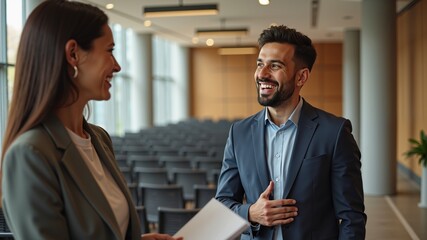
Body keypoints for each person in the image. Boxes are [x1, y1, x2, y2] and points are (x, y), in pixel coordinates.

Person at [0, 1, 181, 240]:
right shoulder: (30, 154)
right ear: (73, 53)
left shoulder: (98, 138)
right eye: (110, 50)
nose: (117, 66)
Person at [215, 25, 367, 240]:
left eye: (275, 66)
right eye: (260, 64)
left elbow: (352, 217)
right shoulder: (239, 133)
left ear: (301, 77)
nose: (262, 74)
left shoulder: (334, 132)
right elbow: (222, 205)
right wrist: (250, 213)